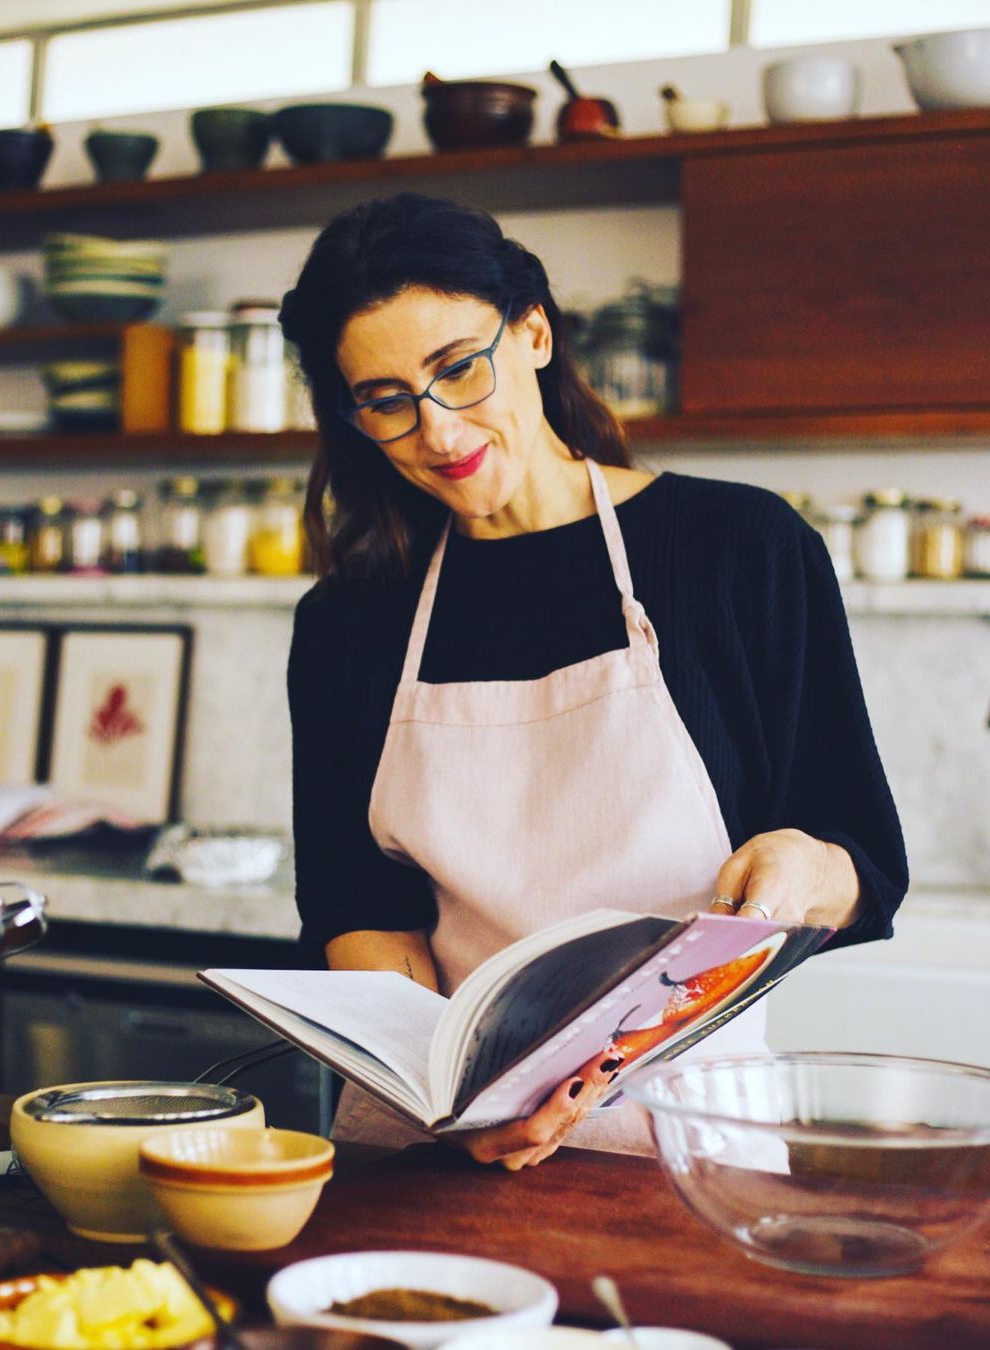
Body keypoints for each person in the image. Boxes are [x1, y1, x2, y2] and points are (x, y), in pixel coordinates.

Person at [279, 192, 908, 1169]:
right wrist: (463, 1100)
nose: (439, 433)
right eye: (388, 400)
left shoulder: (742, 548)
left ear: (533, 332)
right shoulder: (347, 623)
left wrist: (794, 871)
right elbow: (357, 910)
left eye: (458, 369)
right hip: (430, 1149)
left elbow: (856, 860)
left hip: (687, 1146)